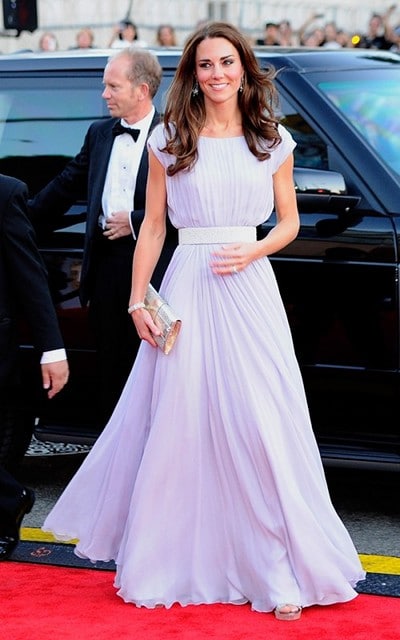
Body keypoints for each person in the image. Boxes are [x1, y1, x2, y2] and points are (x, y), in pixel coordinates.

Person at [42, 22, 365, 620]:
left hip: (249, 284)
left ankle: (272, 567)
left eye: (226, 63)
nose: (216, 74)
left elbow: (289, 223)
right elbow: (155, 226)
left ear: (244, 67)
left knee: (262, 424)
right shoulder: (170, 136)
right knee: (182, 424)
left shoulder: (273, 140)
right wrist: (139, 299)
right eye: (205, 65)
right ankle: (175, 558)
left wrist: (257, 249)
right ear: (191, 74)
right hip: (187, 282)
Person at [28, 48, 176, 426]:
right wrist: (17, 218)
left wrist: (136, 219)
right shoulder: (98, 134)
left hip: (161, 272)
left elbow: (193, 207)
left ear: (142, 90)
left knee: (161, 372)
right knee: (111, 370)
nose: (104, 94)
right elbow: (65, 186)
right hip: (107, 269)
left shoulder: (173, 136)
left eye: (113, 86)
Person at [0, 174, 69, 560]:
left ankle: (8, 500)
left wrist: (52, 348)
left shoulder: (7, 193)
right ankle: (11, 497)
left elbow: (30, 276)